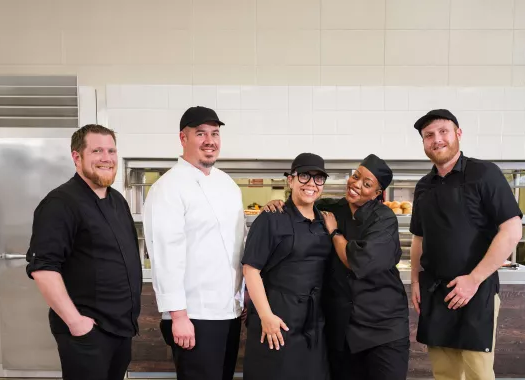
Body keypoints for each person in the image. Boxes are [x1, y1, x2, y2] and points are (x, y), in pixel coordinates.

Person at [265, 154, 410, 380]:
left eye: (367, 184)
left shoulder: (384, 218)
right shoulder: (330, 208)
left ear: (377, 193)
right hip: (342, 330)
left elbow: (357, 261)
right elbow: (300, 205)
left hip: (383, 329)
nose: (356, 184)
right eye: (356, 176)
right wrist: (281, 204)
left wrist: (334, 233)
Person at [409, 109, 523, 380]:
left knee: (478, 375)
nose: (437, 139)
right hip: (436, 293)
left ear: (458, 134)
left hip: (476, 291)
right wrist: (415, 282)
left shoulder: (484, 173)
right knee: (444, 374)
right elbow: (419, 238)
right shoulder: (424, 186)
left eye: (443, 132)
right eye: (429, 135)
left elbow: (511, 230)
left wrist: (473, 280)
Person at [26, 124, 142, 380]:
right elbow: (43, 269)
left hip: (120, 329)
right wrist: (76, 323)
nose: (106, 158)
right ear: (76, 157)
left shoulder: (117, 200)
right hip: (88, 332)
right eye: (97, 150)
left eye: (111, 151)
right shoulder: (60, 203)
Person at [143, 106, 245, 380]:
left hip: (229, 311)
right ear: (183, 138)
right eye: (200, 133)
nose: (209, 140)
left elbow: (237, 247)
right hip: (194, 315)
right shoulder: (168, 187)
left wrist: (242, 296)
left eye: (214, 133)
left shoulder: (228, 185)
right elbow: (165, 255)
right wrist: (178, 316)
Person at [242, 153, 332, 380]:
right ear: (290, 180)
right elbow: (251, 270)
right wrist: (266, 316)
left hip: (313, 323)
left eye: (318, 178)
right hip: (277, 320)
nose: (311, 184)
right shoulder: (272, 218)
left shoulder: (326, 220)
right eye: (304, 176)